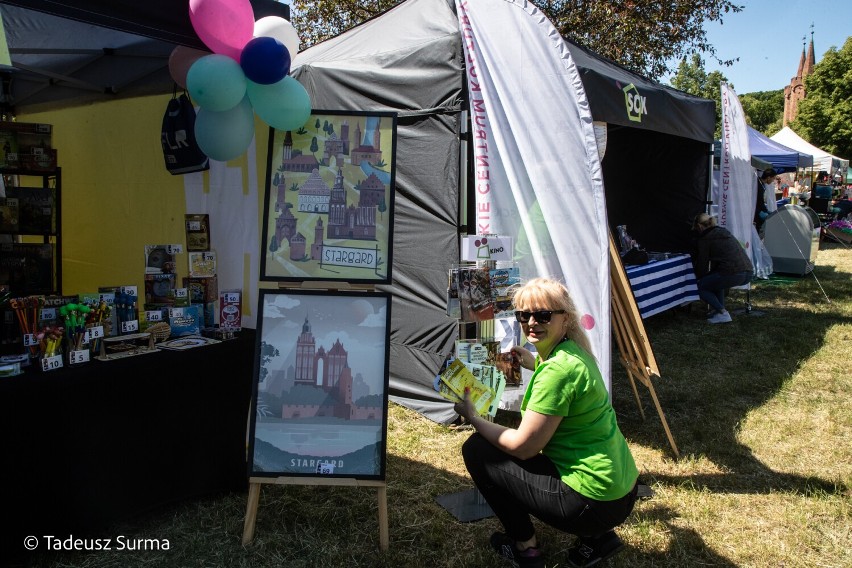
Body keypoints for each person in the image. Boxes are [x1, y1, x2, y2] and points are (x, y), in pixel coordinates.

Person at [454, 278, 639, 568]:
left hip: (591, 503)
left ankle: (525, 550)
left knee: (478, 449)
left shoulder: (557, 373)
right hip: (621, 493)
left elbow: (523, 447)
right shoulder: (576, 354)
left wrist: (474, 417)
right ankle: (598, 539)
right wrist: (535, 363)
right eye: (523, 315)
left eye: (542, 315)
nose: (531, 322)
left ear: (565, 319)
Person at [692, 213, 754, 324]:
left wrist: (697, 277)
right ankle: (718, 311)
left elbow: (702, 264)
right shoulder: (723, 232)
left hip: (733, 272)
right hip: (748, 272)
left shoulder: (705, 238)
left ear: (700, 226)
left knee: (699, 287)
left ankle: (722, 312)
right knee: (717, 282)